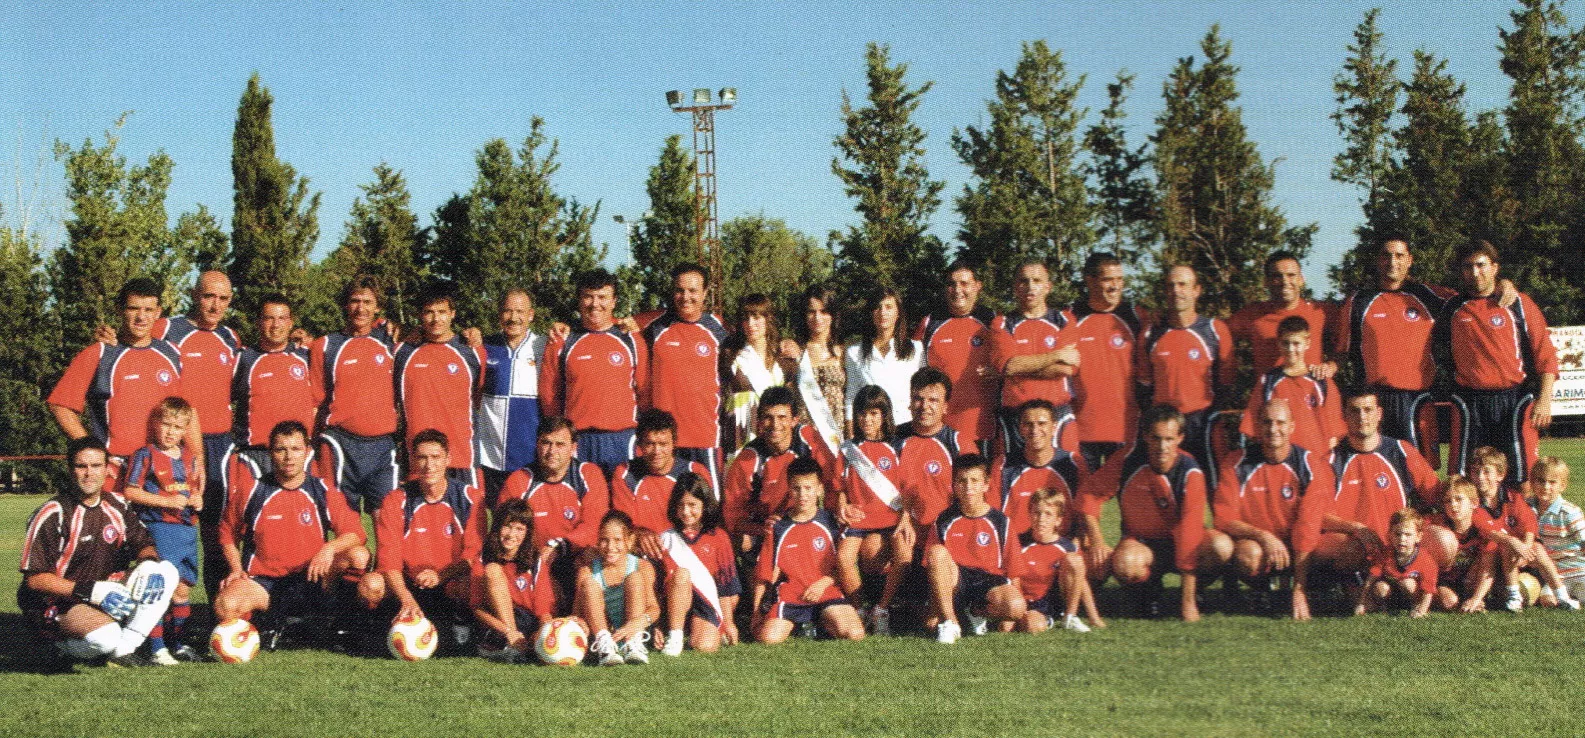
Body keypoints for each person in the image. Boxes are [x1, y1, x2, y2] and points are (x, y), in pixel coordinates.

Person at [1335, 236, 1517, 443]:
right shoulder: (1358, 302)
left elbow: (1476, 296)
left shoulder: (1433, 297)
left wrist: (1503, 283)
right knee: (1374, 458)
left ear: (1409, 260)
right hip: (1372, 402)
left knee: (1419, 461)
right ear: (1378, 260)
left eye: (1399, 255)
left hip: (1416, 399)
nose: (1392, 262)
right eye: (1386, 255)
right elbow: (1341, 352)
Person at [18, 438, 177, 665]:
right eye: (81, 466)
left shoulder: (117, 505)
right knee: (105, 638)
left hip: (104, 590)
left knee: (165, 571)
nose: (89, 473)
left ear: (107, 469)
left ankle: (123, 650)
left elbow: (144, 544)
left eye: (96, 466)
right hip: (57, 600)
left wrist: (149, 564)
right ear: (70, 469)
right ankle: (55, 645)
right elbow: (35, 580)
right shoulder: (54, 513)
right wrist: (91, 591)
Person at [213, 421, 369, 643]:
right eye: (281, 450)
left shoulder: (322, 490)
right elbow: (227, 532)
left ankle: (339, 626)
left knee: (358, 556)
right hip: (264, 583)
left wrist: (329, 548)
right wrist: (236, 569)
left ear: (307, 452)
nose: (289, 457)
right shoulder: (252, 490)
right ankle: (264, 626)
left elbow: (356, 533)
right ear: (270, 452)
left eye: (296, 449)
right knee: (225, 606)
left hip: (312, 579)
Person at [1079, 404, 1231, 622]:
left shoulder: (1191, 471)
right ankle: (1147, 592)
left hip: (1180, 542)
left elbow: (1190, 533)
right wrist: (1097, 542)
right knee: (1126, 563)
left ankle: (1194, 592)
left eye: (1169, 439)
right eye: (1156, 438)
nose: (1162, 446)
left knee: (1220, 546)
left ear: (1180, 438)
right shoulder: (1128, 459)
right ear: (1146, 436)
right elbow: (1089, 494)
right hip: (1141, 542)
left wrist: (1187, 604)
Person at [49, 278, 201, 491]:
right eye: (133, 308)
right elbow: (60, 405)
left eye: (148, 310)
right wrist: (95, 453)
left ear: (158, 312)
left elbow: (188, 411)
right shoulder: (99, 354)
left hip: (165, 473)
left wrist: (197, 459)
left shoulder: (173, 353)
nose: (141, 317)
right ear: (119, 309)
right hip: (117, 471)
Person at [1434, 241, 1558, 484]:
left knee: (1522, 477)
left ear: (1495, 267)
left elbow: (1545, 354)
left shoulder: (1518, 303)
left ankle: (1522, 510)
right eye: (1468, 266)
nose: (1475, 272)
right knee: (1464, 478)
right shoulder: (1451, 307)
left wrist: (1544, 400)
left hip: (1514, 399)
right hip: (1470, 400)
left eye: (1481, 265)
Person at [360, 429, 485, 650]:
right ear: (413, 461)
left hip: (449, 580)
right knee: (371, 585)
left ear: (448, 459)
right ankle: (373, 628)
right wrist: (406, 597)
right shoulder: (396, 500)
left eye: (436, 457)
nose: (429, 465)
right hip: (408, 582)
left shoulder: (469, 497)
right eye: (422, 458)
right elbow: (389, 561)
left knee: (472, 581)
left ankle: (462, 625)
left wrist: (441, 575)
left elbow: (473, 555)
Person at [1213, 400, 1337, 620]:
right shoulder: (1236, 462)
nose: (1273, 429)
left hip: (1298, 544)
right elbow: (1223, 518)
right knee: (1247, 554)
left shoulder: (1308, 463)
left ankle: (1315, 588)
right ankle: (1261, 589)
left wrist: (1299, 589)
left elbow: (1308, 525)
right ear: (1258, 426)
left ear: (1291, 426)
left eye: (1280, 423)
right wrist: (1263, 536)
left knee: (1340, 547)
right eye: (1267, 422)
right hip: (1259, 546)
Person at [1326, 389, 1449, 573]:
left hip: (1399, 541)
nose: (1362, 417)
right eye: (1355, 410)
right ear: (1344, 415)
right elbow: (1317, 516)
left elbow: (1437, 495)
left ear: (1379, 414)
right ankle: (1353, 583)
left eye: (1368, 409)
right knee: (1340, 548)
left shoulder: (1401, 451)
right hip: (1356, 541)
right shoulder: (1331, 460)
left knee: (1444, 541)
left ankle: (1431, 580)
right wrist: (1355, 528)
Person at [540, 269, 649, 477]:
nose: (595, 304)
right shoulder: (562, 340)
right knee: (581, 496)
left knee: (622, 496)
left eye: (602, 297)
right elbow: (549, 395)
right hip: (579, 440)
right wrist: (559, 437)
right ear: (579, 300)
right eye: (588, 296)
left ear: (614, 301)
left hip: (623, 439)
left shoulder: (631, 339)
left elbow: (644, 391)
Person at [310, 276, 402, 516]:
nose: (361, 308)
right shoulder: (325, 346)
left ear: (377, 307)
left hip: (382, 446)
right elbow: (315, 404)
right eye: (355, 301)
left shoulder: (391, 342)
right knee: (345, 524)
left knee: (388, 520)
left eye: (368, 302)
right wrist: (310, 449)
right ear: (345, 304)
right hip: (340, 443)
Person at [119, 398, 201, 663]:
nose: (171, 432)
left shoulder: (190, 457)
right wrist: (166, 502)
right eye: (166, 424)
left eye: (178, 427)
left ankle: (178, 644)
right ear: (155, 424)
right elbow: (130, 491)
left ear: (185, 429)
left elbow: (192, 488)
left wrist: (197, 499)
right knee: (159, 588)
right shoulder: (145, 455)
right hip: (160, 528)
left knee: (182, 590)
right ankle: (156, 648)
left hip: (187, 531)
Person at [751, 457, 866, 644]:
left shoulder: (832, 522)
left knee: (855, 633)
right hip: (791, 595)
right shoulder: (778, 527)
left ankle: (819, 622)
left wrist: (822, 583)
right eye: (796, 488)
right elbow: (764, 575)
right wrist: (756, 613)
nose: (802, 495)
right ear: (789, 489)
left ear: (819, 489)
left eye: (808, 488)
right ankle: (801, 624)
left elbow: (843, 568)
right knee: (768, 639)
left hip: (826, 591)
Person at [1137, 266, 1234, 478]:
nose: (1176, 291)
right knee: (1165, 485)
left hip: (1203, 423)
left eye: (1182, 285)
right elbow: (1144, 384)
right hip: (1164, 425)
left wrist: (1212, 416)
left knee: (1213, 482)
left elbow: (1226, 382)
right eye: (1171, 286)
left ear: (1196, 290)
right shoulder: (1151, 332)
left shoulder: (1215, 330)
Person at [835, 385, 913, 636]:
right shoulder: (848, 449)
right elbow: (839, 487)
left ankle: (882, 608)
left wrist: (905, 517)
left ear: (884, 415)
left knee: (904, 555)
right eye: (862, 414)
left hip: (891, 518)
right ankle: (860, 610)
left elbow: (908, 489)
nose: (867, 420)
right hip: (859, 518)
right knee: (843, 558)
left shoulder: (897, 447)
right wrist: (842, 505)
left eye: (874, 414)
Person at [644, 264, 730, 487]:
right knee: (668, 503)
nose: (685, 297)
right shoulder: (654, 327)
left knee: (709, 501)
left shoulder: (720, 329)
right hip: (664, 441)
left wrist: (788, 346)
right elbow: (609, 324)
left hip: (705, 435)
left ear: (705, 292)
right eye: (679, 290)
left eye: (692, 291)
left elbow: (757, 341)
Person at [721, 386, 837, 553]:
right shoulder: (748, 459)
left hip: (804, 515)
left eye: (782, 417)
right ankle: (751, 564)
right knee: (740, 541)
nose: (775, 425)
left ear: (794, 420)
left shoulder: (807, 438)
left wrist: (829, 516)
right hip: (766, 523)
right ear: (759, 421)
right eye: (768, 417)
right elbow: (733, 515)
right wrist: (764, 528)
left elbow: (833, 480)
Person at [926, 454, 1026, 644]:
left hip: (988, 582)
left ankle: (975, 612)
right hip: (957, 581)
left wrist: (1010, 618)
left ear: (986, 484)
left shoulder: (1001, 522)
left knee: (1016, 607)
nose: (968, 487)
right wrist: (934, 610)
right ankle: (951, 623)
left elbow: (1014, 571)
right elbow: (934, 568)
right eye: (962, 481)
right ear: (954, 485)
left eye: (974, 480)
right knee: (936, 552)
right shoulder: (944, 520)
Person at [1065, 252, 1148, 471]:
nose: (1115, 286)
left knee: (1127, 490)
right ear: (1090, 281)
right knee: (1083, 491)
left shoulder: (1137, 317)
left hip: (1126, 427)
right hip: (1081, 427)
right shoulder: (1070, 318)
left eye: (1119, 279)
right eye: (1108, 279)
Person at [394, 282, 485, 477]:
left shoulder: (472, 352)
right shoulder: (402, 352)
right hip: (419, 460)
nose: (436, 319)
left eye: (442, 312)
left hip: (462, 457)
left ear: (453, 313)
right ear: (420, 315)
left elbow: (479, 399)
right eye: (429, 312)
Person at [989, 262, 1079, 457]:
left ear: (1048, 287)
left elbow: (1065, 369)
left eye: (1037, 281)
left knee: (1062, 470)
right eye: (1024, 281)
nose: (1030, 286)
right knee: (1013, 472)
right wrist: (1055, 355)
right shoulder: (1002, 323)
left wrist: (1020, 368)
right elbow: (1010, 366)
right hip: (1015, 415)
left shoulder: (1064, 320)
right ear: (1015, 287)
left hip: (1057, 413)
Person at [496, 417, 610, 568]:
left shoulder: (588, 474)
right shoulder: (519, 480)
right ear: (537, 445)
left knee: (592, 557)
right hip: (533, 559)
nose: (552, 451)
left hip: (575, 553)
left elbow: (594, 525)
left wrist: (560, 546)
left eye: (560, 444)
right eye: (546, 443)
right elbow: (504, 529)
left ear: (573, 448)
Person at [1466, 446, 1566, 612]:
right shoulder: (1472, 502)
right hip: (1491, 560)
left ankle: (1562, 594)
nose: (1480, 477)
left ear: (1500, 475)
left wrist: (1526, 547)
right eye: (1476, 472)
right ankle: (1513, 595)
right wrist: (1512, 541)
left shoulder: (1513, 497)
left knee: (1537, 549)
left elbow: (1529, 523)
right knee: (1502, 548)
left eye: (1486, 472)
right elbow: (1486, 530)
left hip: (1519, 556)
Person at [230, 294, 316, 483]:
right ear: (258, 322)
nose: (276, 325)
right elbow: (222, 401)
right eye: (269, 318)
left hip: (298, 455)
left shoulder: (307, 358)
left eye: (282, 318)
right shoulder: (244, 359)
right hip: (256, 455)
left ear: (291, 323)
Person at [915, 260, 999, 450]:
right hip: (940, 430)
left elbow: (1011, 365)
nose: (957, 290)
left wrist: (1000, 371)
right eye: (952, 284)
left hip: (985, 428)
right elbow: (913, 375)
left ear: (977, 286)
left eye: (964, 283)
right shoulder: (930, 323)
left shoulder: (993, 321)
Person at [658, 472, 741, 656]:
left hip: (704, 604)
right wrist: (657, 624)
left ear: (705, 504)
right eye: (681, 505)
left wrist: (728, 622)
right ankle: (675, 635)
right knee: (682, 575)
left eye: (692, 505)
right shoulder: (666, 538)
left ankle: (700, 628)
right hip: (674, 604)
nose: (686, 511)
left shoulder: (719, 537)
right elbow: (656, 585)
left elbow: (726, 587)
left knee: (704, 646)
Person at [477, 289, 548, 502]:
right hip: (491, 456)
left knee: (530, 516)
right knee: (493, 515)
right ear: (499, 314)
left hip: (531, 454)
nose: (513, 317)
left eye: (520, 311)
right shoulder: (484, 346)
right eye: (507, 311)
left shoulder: (545, 346)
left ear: (531, 315)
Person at [472, 500, 563, 663]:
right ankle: (512, 646)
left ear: (527, 532)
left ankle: (523, 647)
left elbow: (543, 611)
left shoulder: (535, 561)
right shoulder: (483, 558)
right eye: (507, 526)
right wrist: (509, 632)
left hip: (527, 621)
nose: (511, 534)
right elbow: (477, 609)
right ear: (497, 527)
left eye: (519, 529)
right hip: (499, 624)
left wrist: (546, 632)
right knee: (493, 570)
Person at [1239, 316, 1344, 454]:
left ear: (1307, 343)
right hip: (1282, 460)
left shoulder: (1321, 381)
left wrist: (1327, 461)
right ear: (1278, 343)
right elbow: (1254, 429)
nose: (1290, 349)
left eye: (1296, 343)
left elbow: (1335, 434)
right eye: (1285, 343)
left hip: (1317, 459)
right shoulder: (1268, 382)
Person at [610, 410, 713, 546]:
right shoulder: (625, 474)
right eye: (650, 444)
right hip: (642, 549)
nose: (657, 451)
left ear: (674, 444)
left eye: (663, 444)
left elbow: (708, 519)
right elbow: (623, 523)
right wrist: (639, 533)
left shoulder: (695, 471)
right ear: (639, 444)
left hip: (688, 547)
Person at [1228, 251, 1336, 378]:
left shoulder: (1320, 311)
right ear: (1266, 282)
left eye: (1291, 275)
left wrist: (1331, 366)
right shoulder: (1252, 314)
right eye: (1277, 276)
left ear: (1301, 279)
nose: (1285, 281)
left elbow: (1345, 347)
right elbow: (1216, 334)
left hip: (1313, 388)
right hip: (1271, 389)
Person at [1009, 488, 1102, 633]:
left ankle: (1070, 617)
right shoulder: (1018, 543)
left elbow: (1081, 581)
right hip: (1025, 601)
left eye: (1048, 514)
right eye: (1037, 513)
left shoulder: (1066, 547)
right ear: (1030, 514)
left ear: (1058, 520)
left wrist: (1094, 617)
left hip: (1052, 602)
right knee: (1022, 626)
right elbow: (1011, 577)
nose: (1041, 519)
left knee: (1075, 560)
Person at [992, 399, 1086, 538]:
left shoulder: (1073, 463)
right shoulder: (1003, 465)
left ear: (1054, 428)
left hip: (1062, 545)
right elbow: (992, 514)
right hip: (1016, 546)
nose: (1035, 430)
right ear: (1020, 429)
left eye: (1042, 424)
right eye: (1028, 424)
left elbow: (1085, 513)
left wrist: (1077, 542)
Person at [577, 510, 660, 665]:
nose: (610, 547)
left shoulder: (642, 566)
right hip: (602, 632)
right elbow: (578, 612)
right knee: (589, 584)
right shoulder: (587, 570)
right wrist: (580, 624)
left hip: (635, 627)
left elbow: (654, 609)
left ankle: (633, 644)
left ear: (630, 540)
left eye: (617, 540)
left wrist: (637, 624)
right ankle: (605, 647)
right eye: (604, 540)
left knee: (635, 578)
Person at [892, 368, 965, 530]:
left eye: (933, 400)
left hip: (945, 527)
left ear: (945, 406)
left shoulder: (959, 443)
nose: (925, 406)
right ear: (910, 402)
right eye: (918, 399)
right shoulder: (893, 439)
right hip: (899, 524)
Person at [846, 286, 923, 428]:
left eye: (889, 307)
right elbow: (852, 396)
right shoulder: (854, 352)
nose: (883, 312)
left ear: (898, 313)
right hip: (871, 430)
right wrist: (851, 432)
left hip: (907, 427)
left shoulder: (917, 349)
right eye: (878, 307)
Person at [723, 293, 787, 450]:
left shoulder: (782, 359)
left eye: (756, 317)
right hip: (740, 438)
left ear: (768, 319)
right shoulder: (731, 357)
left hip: (774, 439)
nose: (751, 324)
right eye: (746, 318)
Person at [785, 285, 847, 437]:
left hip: (836, 434)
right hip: (803, 435)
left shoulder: (845, 353)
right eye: (811, 312)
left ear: (833, 315)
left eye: (823, 311)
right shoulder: (794, 352)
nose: (817, 318)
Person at [1428, 476, 1496, 613]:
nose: (1453, 505)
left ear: (1474, 503)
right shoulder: (1439, 525)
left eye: (1459, 499)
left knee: (1484, 559)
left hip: (1470, 578)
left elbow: (1488, 568)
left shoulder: (1483, 526)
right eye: (1448, 501)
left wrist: (1476, 598)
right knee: (1449, 602)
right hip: (1444, 579)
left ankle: (1475, 599)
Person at [1354, 508, 1438, 618]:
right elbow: (1372, 578)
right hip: (1392, 592)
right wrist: (1361, 603)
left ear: (1418, 537)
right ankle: (1384, 606)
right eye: (1397, 534)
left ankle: (1414, 606)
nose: (1402, 539)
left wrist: (1422, 610)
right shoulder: (1385, 554)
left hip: (1412, 593)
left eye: (1408, 534)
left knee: (1407, 584)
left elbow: (1429, 590)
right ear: (1390, 535)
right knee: (1381, 587)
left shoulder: (1425, 560)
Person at [1530, 457, 1585, 606]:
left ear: (1562, 486)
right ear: (1532, 482)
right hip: (1556, 576)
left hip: (1580, 571)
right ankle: (1569, 602)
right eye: (1541, 481)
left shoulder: (1569, 512)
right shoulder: (1528, 509)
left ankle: (1573, 600)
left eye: (1552, 482)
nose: (1546, 486)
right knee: (1547, 600)